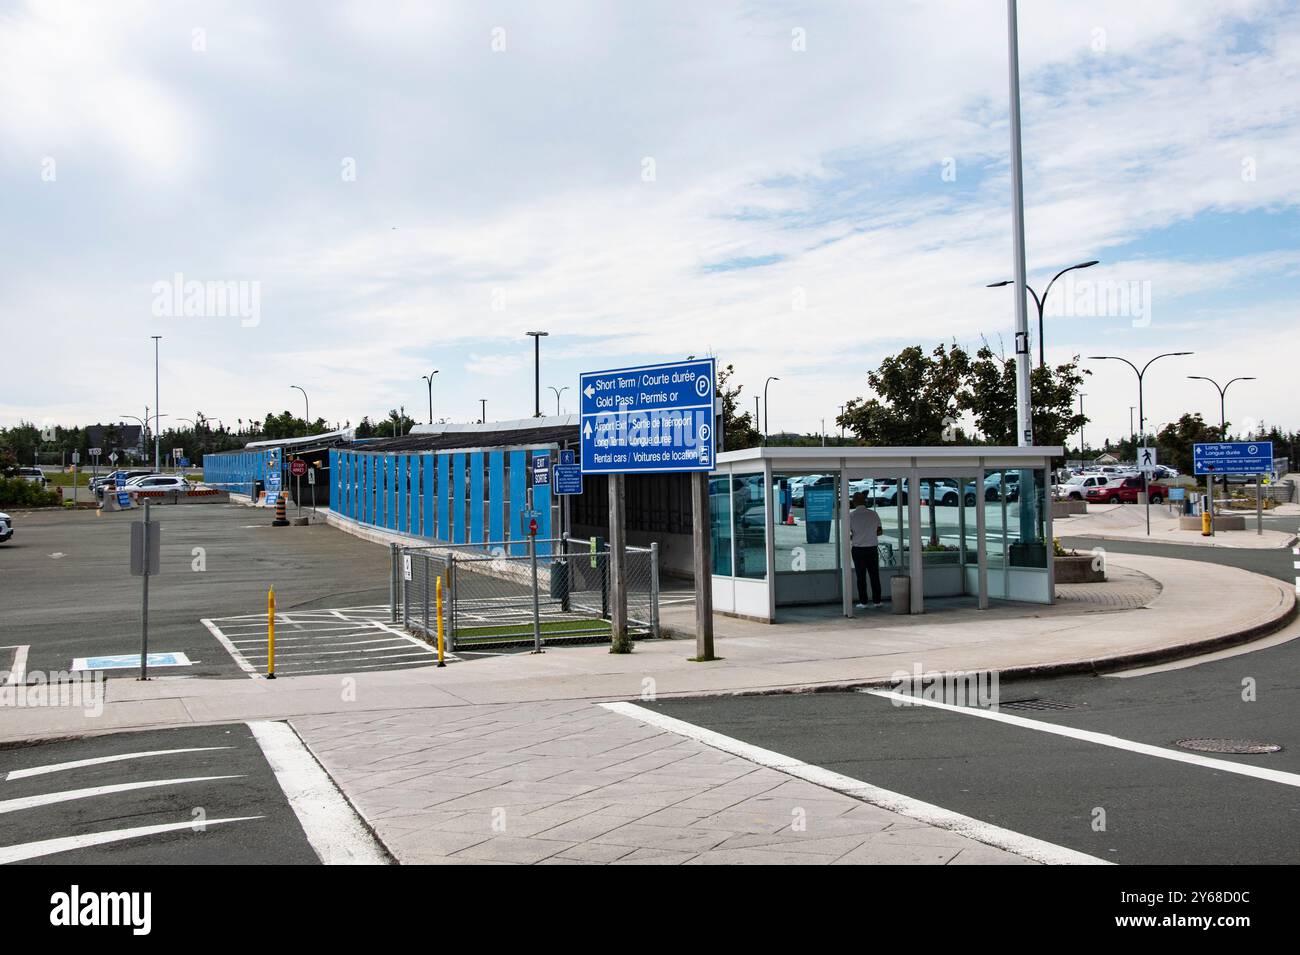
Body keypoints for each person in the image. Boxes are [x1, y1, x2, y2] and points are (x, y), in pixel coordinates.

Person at [849, 491, 884, 609]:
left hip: (858, 549)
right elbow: (880, 531)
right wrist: (870, 534)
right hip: (872, 548)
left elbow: (848, 533)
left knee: (861, 576)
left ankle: (863, 602)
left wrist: (856, 536)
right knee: (874, 575)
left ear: (854, 502)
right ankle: (877, 601)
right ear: (865, 501)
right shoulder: (873, 514)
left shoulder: (851, 516)